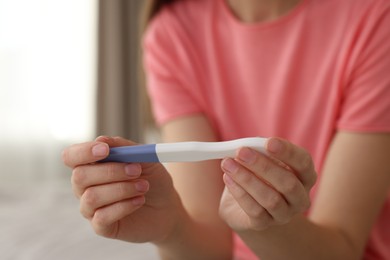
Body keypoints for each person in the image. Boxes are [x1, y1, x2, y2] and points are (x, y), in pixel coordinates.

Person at [62, 0, 390, 259]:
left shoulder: (377, 18)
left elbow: (342, 249)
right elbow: (212, 249)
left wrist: (262, 228)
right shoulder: (173, 32)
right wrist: (171, 228)